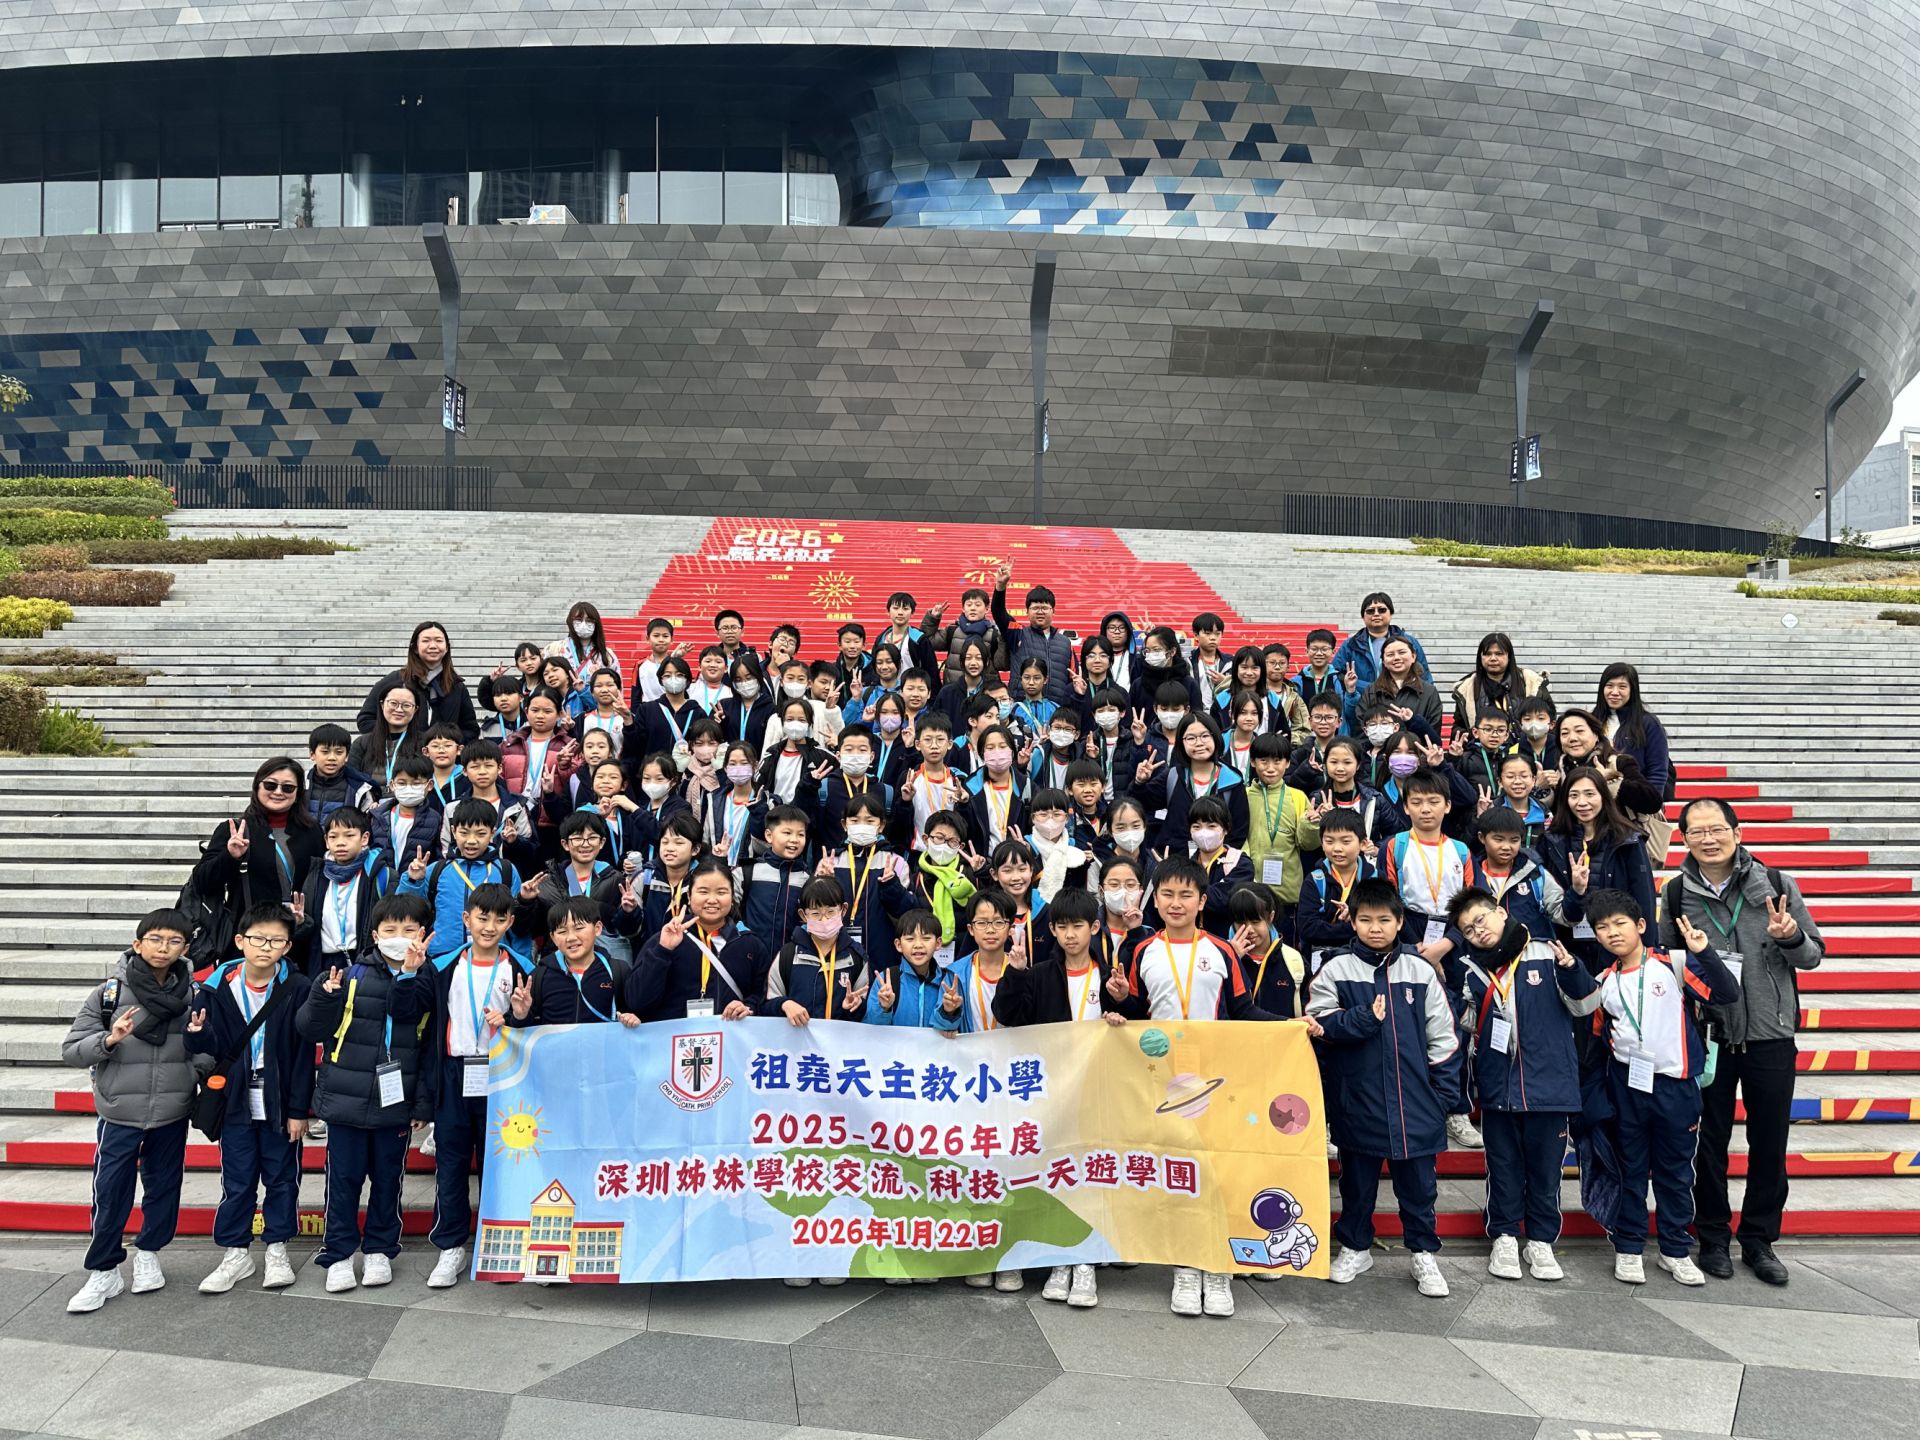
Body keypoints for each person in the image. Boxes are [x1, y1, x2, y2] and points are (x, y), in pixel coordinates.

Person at [1117, 858, 1301, 1316]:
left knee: (1217, 1170)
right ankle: (1185, 1266)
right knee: (1178, 1171)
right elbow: (1137, 1010)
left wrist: (1289, 1026)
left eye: (1186, 895)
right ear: (1155, 900)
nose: (1175, 903)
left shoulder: (1221, 950)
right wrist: (1119, 1002)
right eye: (1167, 894)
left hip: (1216, 1079)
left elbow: (1243, 1011)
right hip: (1162, 1079)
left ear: (1202, 901)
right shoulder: (1142, 951)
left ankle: (1218, 1267)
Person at [1661, 798, 1825, 1287]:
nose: (1707, 839)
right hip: (1709, 1036)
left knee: (1769, 1141)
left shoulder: (1776, 884)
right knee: (1706, 1143)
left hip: (1770, 1033)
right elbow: (1668, 964)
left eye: (1716, 829)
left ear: (1737, 832)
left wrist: (1790, 936)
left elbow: (1813, 956)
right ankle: (1712, 1237)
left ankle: (1759, 1240)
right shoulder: (1676, 893)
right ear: (1684, 839)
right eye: (1696, 832)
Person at [1307, 878, 1459, 1297]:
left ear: (1400, 921)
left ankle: (1423, 1253)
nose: (1375, 928)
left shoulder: (1420, 970)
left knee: (1419, 1188)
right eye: (1366, 920)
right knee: (1357, 1185)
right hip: (1358, 1098)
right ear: (1352, 922)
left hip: (1416, 1102)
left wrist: (1442, 1097)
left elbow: (1444, 1038)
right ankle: (1356, 1247)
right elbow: (1318, 1024)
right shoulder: (1335, 968)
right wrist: (1363, 1019)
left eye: (1384, 920)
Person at [1585, 888, 1740, 1286]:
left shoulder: (1673, 964)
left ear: (1640, 925)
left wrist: (1704, 952)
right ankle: (1629, 1247)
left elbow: (1726, 993)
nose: (1612, 933)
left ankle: (1674, 1249)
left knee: (1676, 1174)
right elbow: (1599, 1041)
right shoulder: (1603, 982)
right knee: (1630, 1171)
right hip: (1627, 1089)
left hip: (1676, 1088)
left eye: (1620, 923)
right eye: (1602, 928)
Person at [61, 908, 211, 1314]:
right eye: (156, 939)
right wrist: (109, 1040)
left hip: (172, 1109)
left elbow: (210, 1047)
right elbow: (72, 1050)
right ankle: (104, 1269)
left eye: (174, 941)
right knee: (111, 1191)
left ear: (185, 948)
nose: (164, 948)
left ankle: (149, 1254)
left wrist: (192, 1068)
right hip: (119, 1111)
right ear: (137, 944)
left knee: (164, 1187)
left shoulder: (194, 994)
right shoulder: (108, 994)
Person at [1448, 888, 1599, 1282]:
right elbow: (1470, 1022)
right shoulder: (1472, 969)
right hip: (1498, 1088)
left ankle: (1541, 1241)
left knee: (1546, 1172)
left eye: (1480, 920)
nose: (1478, 931)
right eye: (1468, 929)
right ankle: (1504, 1236)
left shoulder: (1548, 952)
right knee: (1503, 1168)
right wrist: (1449, 1001)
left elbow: (1586, 1006)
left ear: (1500, 913)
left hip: (1549, 1086)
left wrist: (1572, 970)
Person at [295, 893, 435, 1294]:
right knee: (343, 1181)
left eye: (409, 929)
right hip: (346, 1097)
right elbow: (310, 1028)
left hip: (396, 1099)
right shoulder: (349, 975)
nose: (399, 937)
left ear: (423, 934)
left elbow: (422, 1037)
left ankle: (379, 1249)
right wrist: (324, 996)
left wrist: (422, 1102)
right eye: (390, 930)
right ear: (374, 935)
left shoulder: (429, 978)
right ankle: (339, 1253)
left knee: (388, 1181)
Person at [189, 902, 312, 1296]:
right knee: (238, 1179)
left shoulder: (297, 988)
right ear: (240, 941)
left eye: (276, 940)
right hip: (236, 1098)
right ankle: (236, 1252)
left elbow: (302, 1055)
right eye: (258, 938)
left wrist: (299, 1110)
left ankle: (277, 1249)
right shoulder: (216, 988)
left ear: (287, 946)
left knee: (281, 1178)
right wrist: (197, 1035)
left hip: (278, 1098)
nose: (266, 947)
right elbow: (209, 1049)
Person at [421, 882, 529, 1288]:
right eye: (482, 918)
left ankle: (498, 1241)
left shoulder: (521, 968)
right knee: (451, 1164)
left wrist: (517, 1018)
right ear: (466, 919)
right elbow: (417, 1016)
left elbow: (531, 1025)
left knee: (498, 1164)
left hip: (502, 1076)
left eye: (499, 919)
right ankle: (451, 1247)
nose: (489, 926)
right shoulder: (442, 966)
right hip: (454, 1073)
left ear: (510, 923)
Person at [187, 757, 325, 956]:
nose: (278, 792)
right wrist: (230, 856)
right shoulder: (235, 830)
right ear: (257, 787)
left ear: (298, 793)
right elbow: (202, 882)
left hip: (299, 935)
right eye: (270, 785)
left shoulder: (311, 831)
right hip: (250, 936)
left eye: (288, 788)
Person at [629, 858, 773, 1020]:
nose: (712, 900)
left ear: (732, 897)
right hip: (677, 1034)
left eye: (721, 892)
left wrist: (747, 1007)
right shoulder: (666, 938)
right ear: (689, 896)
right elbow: (636, 1001)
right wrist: (662, 951)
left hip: (728, 1034)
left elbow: (763, 997)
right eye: (703, 892)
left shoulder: (750, 945)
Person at [509, 897, 645, 1026]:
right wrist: (520, 1016)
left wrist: (632, 1018)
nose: (571, 938)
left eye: (579, 928)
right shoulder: (540, 976)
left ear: (597, 928)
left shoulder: (618, 971)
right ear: (553, 938)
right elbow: (524, 1030)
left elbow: (637, 1013)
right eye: (562, 931)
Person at [355, 621, 478, 743]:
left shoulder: (457, 686)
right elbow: (365, 720)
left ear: (446, 648)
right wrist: (400, 739)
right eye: (426, 640)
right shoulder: (395, 680)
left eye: (439, 640)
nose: (433, 646)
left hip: (442, 755)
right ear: (415, 648)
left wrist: (448, 742)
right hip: (402, 754)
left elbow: (471, 729)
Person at [992, 563, 1076, 704]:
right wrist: (1000, 586)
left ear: (1053, 611)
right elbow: (998, 612)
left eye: (1045, 608)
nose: (1040, 612)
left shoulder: (1065, 643)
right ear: (1027, 612)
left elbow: (1073, 678)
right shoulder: (1017, 633)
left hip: (1056, 709)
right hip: (1022, 706)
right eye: (1035, 608)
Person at [1596, 662, 1673, 802]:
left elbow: (1658, 771)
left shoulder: (1647, 723)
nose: (1615, 692)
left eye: (1622, 687)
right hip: (1597, 801)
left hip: (1634, 802)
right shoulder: (1591, 721)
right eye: (1609, 685)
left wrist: (1651, 803)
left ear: (1633, 690)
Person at [1331, 592, 1432, 694]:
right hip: (1363, 700)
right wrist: (1368, 688)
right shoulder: (1351, 645)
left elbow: (1425, 676)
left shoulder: (1409, 642)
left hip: (1403, 699)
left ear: (1391, 614)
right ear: (1363, 617)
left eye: (1382, 610)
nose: (1376, 614)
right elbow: (1336, 674)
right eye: (1370, 611)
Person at [1451, 632, 1551, 732]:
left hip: (1525, 741)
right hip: (1480, 742)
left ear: (1509, 656)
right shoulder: (1467, 688)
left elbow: (1550, 719)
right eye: (1487, 654)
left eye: (1499, 654)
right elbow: (1459, 726)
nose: (1493, 658)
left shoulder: (1531, 682)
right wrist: (1464, 735)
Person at [306, 722, 376, 827]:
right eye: (325, 752)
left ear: (347, 756)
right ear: (312, 754)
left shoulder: (359, 788)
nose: (332, 758)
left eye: (339, 752)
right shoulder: (301, 782)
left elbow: (366, 825)